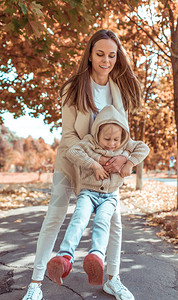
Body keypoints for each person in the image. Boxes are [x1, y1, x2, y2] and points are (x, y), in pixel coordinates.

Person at [22, 29, 143, 300]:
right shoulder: (73, 87)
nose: (106, 60)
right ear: (89, 55)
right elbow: (68, 136)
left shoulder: (119, 90)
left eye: (112, 55)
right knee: (54, 216)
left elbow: (122, 133)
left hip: (108, 169)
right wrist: (96, 158)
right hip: (72, 161)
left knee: (114, 222)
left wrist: (124, 157)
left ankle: (113, 279)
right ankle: (36, 283)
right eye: (100, 54)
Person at [46, 105, 149, 290]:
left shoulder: (126, 145)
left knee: (102, 223)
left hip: (109, 197)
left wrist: (129, 161)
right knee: (79, 219)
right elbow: (73, 152)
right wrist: (94, 164)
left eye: (116, 139)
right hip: (88, 192)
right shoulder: (90, 142)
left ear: (122, 136)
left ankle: (96, 257)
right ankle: (65, 257)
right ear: (97, 133)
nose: (111, 144)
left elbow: (143, 148)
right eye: (107, 139)